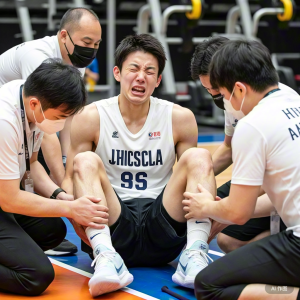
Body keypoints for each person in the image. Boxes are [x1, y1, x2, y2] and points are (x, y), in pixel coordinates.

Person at [62, 34, 216, 296]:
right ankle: (106, 257)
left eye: (149, 71)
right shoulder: (91, 117)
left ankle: (195, 255)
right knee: (84, 160)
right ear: (118, 73)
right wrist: (73, 213)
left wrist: (213, 213)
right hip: (112, 224)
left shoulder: (179, 117)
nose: (140, 77)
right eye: (133, 68)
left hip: (163, 228)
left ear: (158, 80)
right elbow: (69, 179)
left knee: (199, 157)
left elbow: (196, 176)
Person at [186, 40, 300, 300]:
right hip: (286, 216)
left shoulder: (252, 125)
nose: (225, 102)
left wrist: (206, 206)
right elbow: (281, 194)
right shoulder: (293, 98)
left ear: (239, 88)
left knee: (207, 285)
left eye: (224, 95)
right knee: (231, 243)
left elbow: (238, 212)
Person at [0, 59, 108, 296]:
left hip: (4, 195)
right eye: (60, 116)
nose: (61, 125)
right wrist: (70, 209)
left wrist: (64, 198)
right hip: (4, 198)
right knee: (36, 276)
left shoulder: (29, 97)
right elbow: (8, 199)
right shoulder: (5, 121)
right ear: (36, 104)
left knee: (52, 229)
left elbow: (32, 163)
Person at [0, 7, 102, 255]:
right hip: (7, 119)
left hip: (25, 118)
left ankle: (16, 234)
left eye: (97, 44)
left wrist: (60, 190)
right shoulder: (39, 58)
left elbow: (64, 121)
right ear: (64, 36)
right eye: (86, 42)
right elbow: (47, 130)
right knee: (19, 184)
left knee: (51, 228)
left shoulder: (72, 64)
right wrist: (65, 186)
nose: (91, 49)